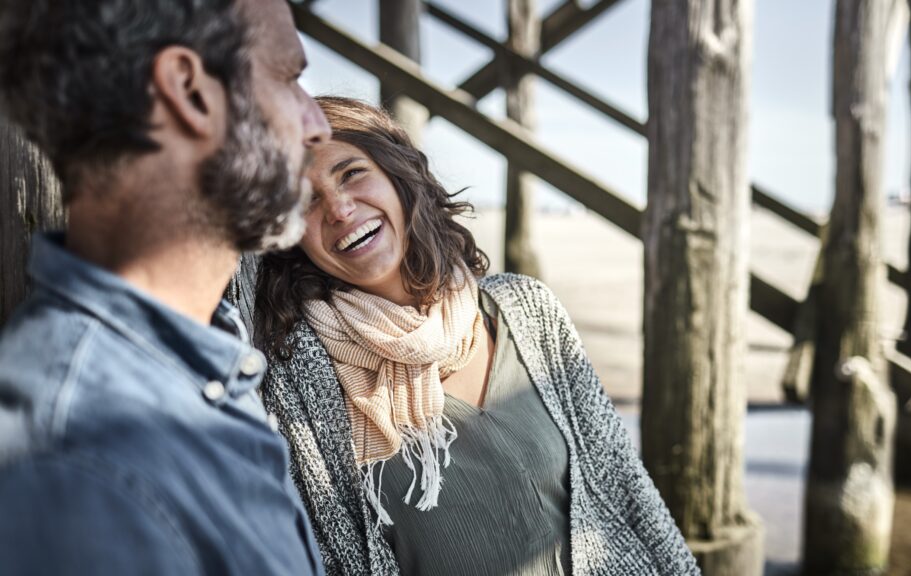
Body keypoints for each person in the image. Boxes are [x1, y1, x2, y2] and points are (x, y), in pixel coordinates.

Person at [254, 96, 700, 575]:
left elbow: (624, 486)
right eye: (305, 199)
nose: (339, 209)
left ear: (398, 176)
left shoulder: (528, 310)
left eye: (352, 173)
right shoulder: (300, 376)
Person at [0, 0, 331, 573]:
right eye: (289, 78)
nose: (317, 125)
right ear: (189, 90)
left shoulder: (200, 358)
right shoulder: (83, 466)